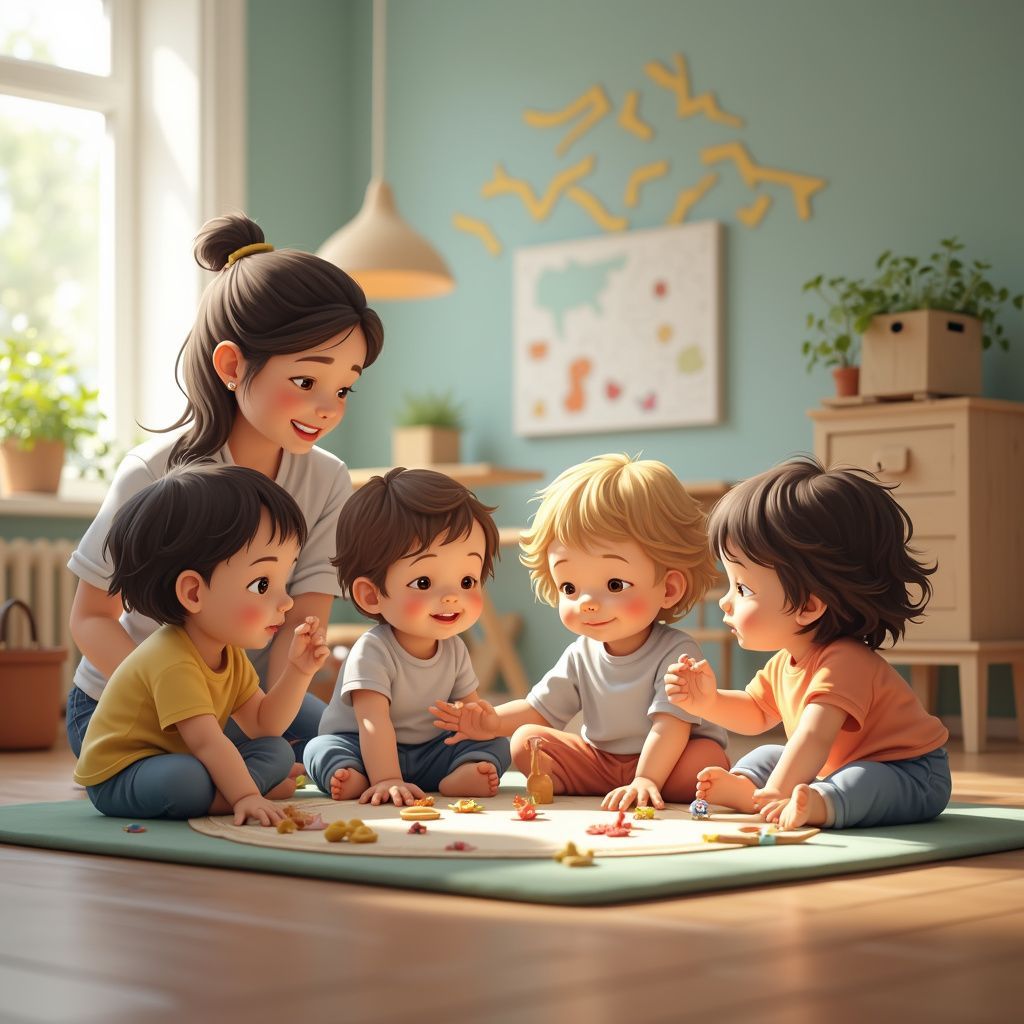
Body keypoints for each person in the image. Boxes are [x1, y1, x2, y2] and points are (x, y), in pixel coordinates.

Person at [66, 212, 383, 762]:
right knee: (208, 773)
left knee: (346, 744)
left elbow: (303, 621)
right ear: (233, 364)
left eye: (345, 388)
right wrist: (178, 700)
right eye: (306, 381)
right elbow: (90, 616)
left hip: (246, 703)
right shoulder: (154, 471)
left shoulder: (327, 478)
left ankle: (246, 770)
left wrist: (265, 713)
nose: (327, 409)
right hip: (123, 703)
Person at [664, 457, 951, 831]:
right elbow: (755, 713)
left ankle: (818, 804)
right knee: (769, 753)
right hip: (836, 764)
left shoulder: (845, 662)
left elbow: (815, 737)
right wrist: (708, 701)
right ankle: (752, 791)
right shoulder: (787, 661)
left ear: (808, 606)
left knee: (862, 780)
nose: (725, 600)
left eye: (743, 588)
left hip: (910, 772)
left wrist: (783, 788)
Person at [431, 454, 730, 810]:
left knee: (705, 761)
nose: (587, 603)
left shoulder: (677, 651)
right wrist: (492, 721)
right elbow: (539, 710)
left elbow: (671, 727)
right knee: (526, 741)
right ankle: (610, 785)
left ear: (668, 589)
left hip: (670, 758)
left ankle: (644, 786)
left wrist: (646, 778)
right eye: (570, 588)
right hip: (601, 759)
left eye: (615, 584)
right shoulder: (581, 653)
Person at [74, 464, 330, 824]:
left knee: (276, 750)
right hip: (122, 773)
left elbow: (263, 725)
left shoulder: (228, 653)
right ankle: (240, 795)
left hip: (186, 759)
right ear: (194, 592)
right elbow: (206, 743)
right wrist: (245, 795)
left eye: (284, 580)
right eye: (262, 584)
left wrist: (299, 671)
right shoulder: (171, 658)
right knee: (185, 779)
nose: (285, 602)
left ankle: (234, 793)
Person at [303, 469, 512, 805]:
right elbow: (373, 722)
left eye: (467, 581)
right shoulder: (372, 651)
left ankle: (461, 773)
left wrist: (479, 721)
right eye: (424, 583)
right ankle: (356, 777)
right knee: (321, 749)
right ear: (371, 595)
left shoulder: (455, 648)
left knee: (497, 742)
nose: (451, 597)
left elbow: (469, 710)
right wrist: (387, 779)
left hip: (432, 751)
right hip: (362, 747)